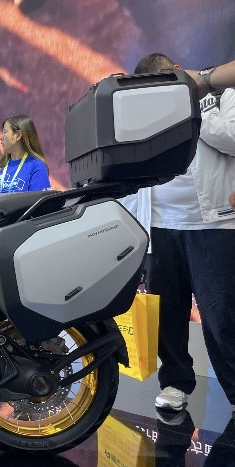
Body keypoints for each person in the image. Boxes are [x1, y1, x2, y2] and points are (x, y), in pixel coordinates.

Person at [123, 53, 235, 413]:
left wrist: (190, 110)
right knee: (167, 313)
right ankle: (175, 382)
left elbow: (233, 138)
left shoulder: (221, 93)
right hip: (159, 227)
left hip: (213, 224)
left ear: (177, 73)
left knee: (221, 316)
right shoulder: (143, 114)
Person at [0, 114, 51, 198]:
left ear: (18, 135)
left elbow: (38, 202)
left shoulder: (36, 166)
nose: (1, 137)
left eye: (5, 132)